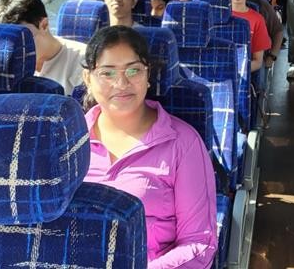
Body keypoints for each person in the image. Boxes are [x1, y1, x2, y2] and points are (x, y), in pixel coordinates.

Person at [82, 26, 217, 268]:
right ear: (87, 79)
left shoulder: (183, 143)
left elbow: (199, 243)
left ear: (148, 76)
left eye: (133, 70)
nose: (121, 83)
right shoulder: (67, 142)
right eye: (107, 73)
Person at [0, 0, 86, 94]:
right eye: (7, 43)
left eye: (24, 38)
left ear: (44, 25)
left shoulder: (83, 62)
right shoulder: (0, 66)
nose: (15, 48)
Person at [226, 0, 272, 73]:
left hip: (244, 72)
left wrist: (233, 72)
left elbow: (257, 61)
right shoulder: (213, 17)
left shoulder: (257, 20)